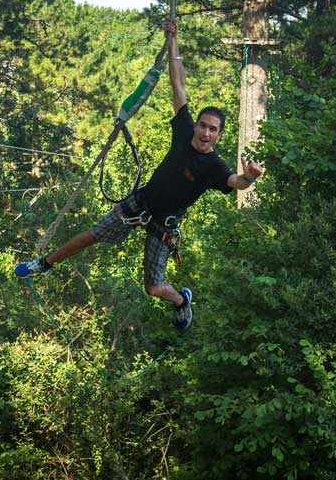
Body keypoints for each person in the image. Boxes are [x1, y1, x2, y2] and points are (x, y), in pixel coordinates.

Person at [15, 19, 265, 330]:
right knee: (91, 235)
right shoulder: (184, 130)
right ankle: (44, 264)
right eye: (202, 125)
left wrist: (249, 177)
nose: (205, 132)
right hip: (141, 204)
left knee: (153, 287)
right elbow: (178, 84)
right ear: (196, 125)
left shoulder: (214, 166)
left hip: (164, 224)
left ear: (219, 135)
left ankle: (181, 301)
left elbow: (235, 182)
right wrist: (172, 40)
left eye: (212, 129)